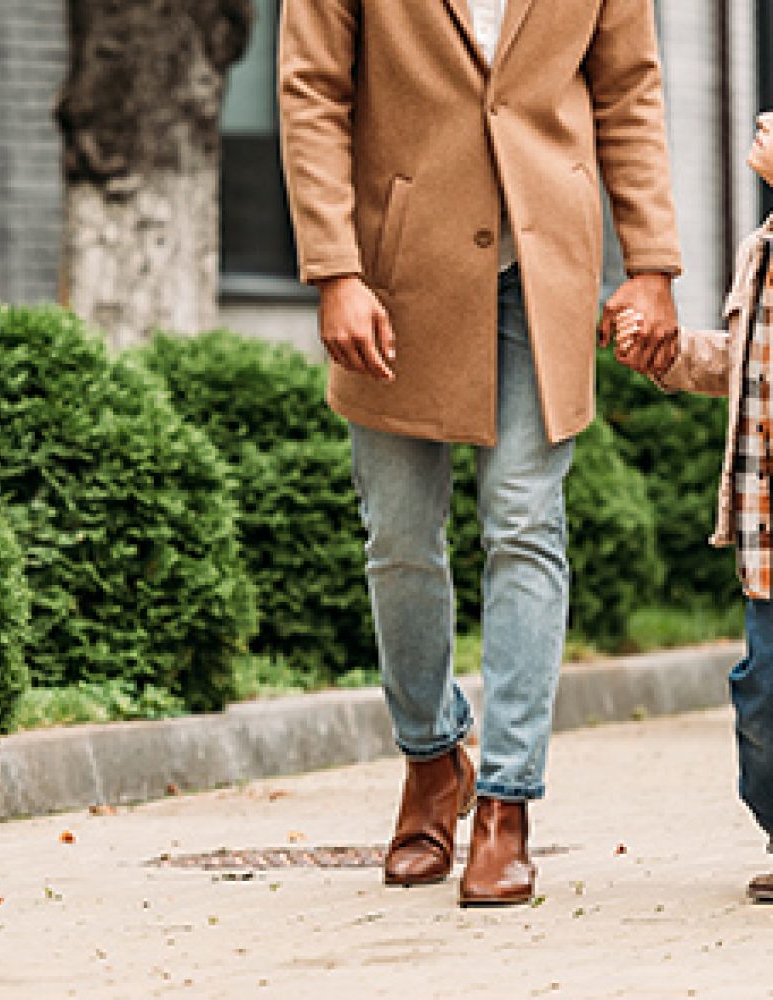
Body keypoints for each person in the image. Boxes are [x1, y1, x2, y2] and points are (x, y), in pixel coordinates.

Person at [278, 0, 682, 906]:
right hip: (396, 271)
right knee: (400, 540)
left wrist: (650, 261)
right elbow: (311, 94)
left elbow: (628, 92)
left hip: (544, 267)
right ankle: (431, 759)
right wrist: (334, 271)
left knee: (525, 522)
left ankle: (506, 803)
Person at [612, 111, 773, 906]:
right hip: (765, 529)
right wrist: (670, 354)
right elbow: (746, 364)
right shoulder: (762, 249)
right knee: (763, 693)